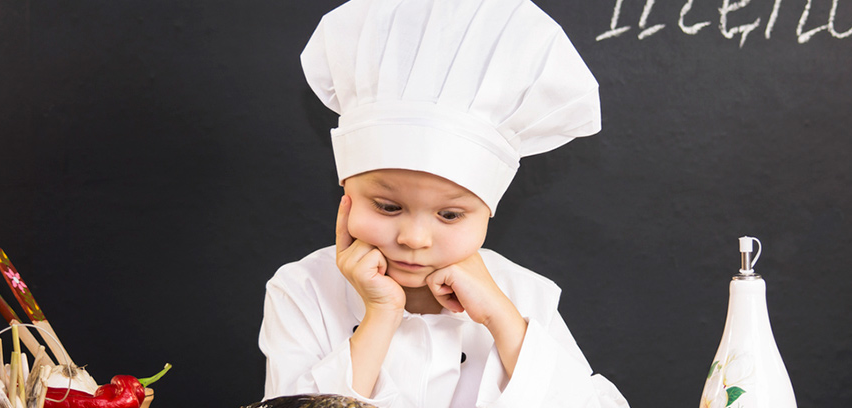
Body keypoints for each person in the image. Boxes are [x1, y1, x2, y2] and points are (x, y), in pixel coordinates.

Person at [259, 0, 629, 406]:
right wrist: (381, 314)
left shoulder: (523, 295)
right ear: (346, 192)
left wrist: (500, 319)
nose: (415, 238)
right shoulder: (303, 290)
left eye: (450, 214)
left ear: (489, 211)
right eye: (387, 206)